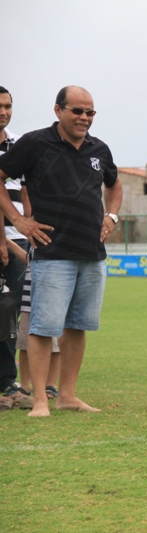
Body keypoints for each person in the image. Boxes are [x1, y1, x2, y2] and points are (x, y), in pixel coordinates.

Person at [0, 85, 123, 417]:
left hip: (92, 253)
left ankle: (67, 395)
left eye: (90, 112)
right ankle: (40, 399)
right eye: (77, 111)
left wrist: (111, 215)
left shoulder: (100, 149)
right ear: (58, 110)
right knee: (42, 327)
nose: (84, 118)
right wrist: (18, 220)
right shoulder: (35, 143)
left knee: (78, 326)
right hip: (52, 252)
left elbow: (114, 183)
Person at [0, 86, 33, 409]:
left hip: (19, 242)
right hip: (6, 241)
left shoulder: (19, 146)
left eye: (8, 105)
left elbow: (27, 191)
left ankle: (11, 382)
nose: (3, 111)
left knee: (14, 312)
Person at [8, 240, 61, 402]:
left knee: (55, 345)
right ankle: (25, 386)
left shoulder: (58, 241)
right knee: (24, 344)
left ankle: (50, 384)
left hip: (54, 298)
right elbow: (29, 260)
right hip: (29, 300)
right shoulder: (34, 242)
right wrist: (9, 243)